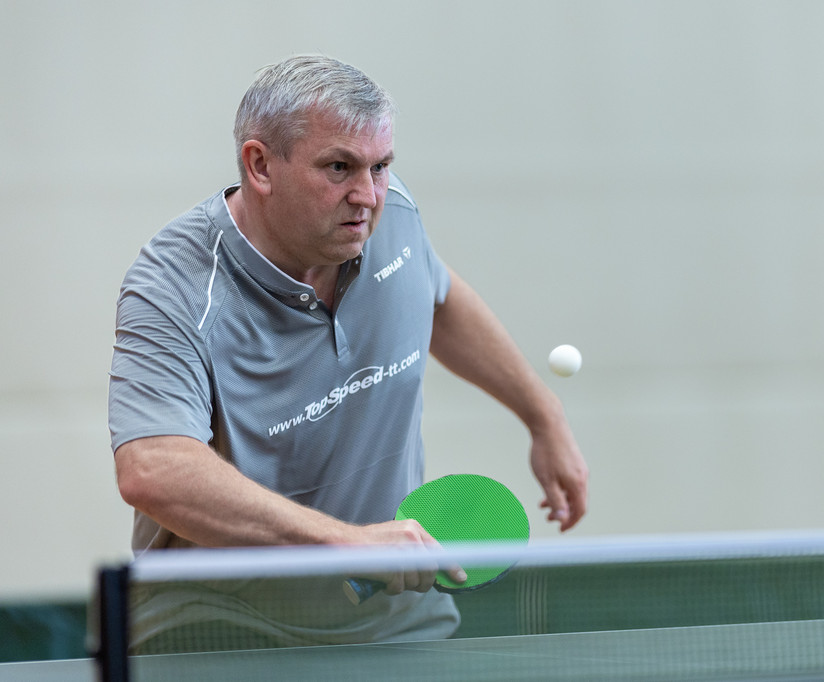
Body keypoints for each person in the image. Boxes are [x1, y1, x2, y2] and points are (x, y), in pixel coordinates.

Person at [108, 54, 588, 651]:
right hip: (217, 623)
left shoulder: (390, 216)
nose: (367, 195)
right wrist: (345, 543)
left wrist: (543, 415)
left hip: (395, 615)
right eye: (339, 167)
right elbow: (155, 470)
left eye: (380, 166)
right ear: (260, 165)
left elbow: (436, 298)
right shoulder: (173, 286)